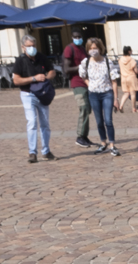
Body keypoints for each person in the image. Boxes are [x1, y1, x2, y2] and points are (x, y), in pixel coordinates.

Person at [12, 33, 56, 164]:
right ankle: (32, 152)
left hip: (42, 93)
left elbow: (52, 70)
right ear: (23, 47)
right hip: (27, 93)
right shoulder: (20, 61)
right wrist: (33, 78)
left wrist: (47, 77)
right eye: (29, 46)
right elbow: (16, 80)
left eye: (33, 45)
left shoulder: (41, 57)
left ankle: (46, 151)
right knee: (32, 122)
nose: (32, 48)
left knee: (45, 124)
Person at [80, 37, 121, 156]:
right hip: (93, 94)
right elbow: (83, 76)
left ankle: (112, 144)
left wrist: (116, 99)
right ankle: (103, 142)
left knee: (108, 120)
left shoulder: (107, 62)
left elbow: (114, 81)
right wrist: (90, 85)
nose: (93, 50)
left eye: (95, 48)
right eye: (91, 48)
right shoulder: (86, 62)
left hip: (107, 93)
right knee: (99, 121)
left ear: (100, 48)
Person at [62, 27, 92, 148]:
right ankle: (80, 136)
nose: (78, 39)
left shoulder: (83, 49)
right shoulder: (69, 49)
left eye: (79, 37)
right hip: (77, 83)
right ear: (72, 37)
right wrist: (81, 67)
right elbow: (67, 69)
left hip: (86, 82)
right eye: (76, 37)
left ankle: (84, 136)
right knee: (83, 108)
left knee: (88, 109)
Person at [118, 45, 138, 113]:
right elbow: (136, 70)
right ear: (129, 51)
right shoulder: (131, 60)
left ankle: (121, 105)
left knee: (126, 93)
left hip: (124, 78)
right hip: (131, 77)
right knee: (133, 94)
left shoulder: (120, 59)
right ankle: (134, 108)